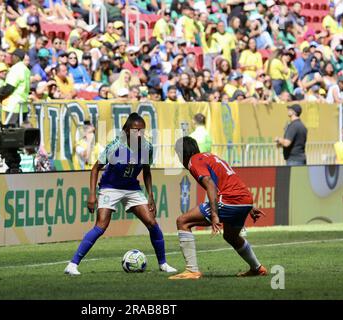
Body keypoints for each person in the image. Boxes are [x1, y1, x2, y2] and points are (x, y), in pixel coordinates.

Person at [64, 113, 177, 275]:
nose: (139, 133)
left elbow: (146, 172)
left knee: (152, 223)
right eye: (135, 130)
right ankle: (72, 264)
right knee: (101, 225)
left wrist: (150, 195)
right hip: (110, 187)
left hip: (131, 187)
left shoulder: (147, 147)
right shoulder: (116, 147)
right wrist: (92, 194)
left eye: (141, 130)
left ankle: (163, 263)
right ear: (126, 130)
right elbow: (95, 168)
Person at [169, 136, 267, 280]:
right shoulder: (211, 157)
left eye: (178, 155)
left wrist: (215, 214)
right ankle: (257, 268)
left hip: (229, 200)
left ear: (181, 154)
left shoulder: (193, 161)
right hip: (244, 199)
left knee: (183, 221)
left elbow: (210, 184)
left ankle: (192, 270)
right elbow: (232, 180)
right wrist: (249, 207)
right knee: (231, 236)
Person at [0, 49, 31, 126]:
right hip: (23, 106)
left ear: (16, 57)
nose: (10, 58)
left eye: (12, 56)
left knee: (11, 133)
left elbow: (9, 87)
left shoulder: (16, 68)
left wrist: (0, 95)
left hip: (13, 107)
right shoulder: (26, 69)